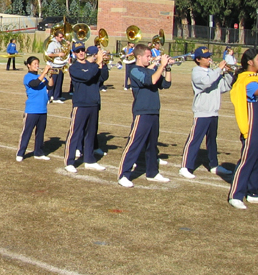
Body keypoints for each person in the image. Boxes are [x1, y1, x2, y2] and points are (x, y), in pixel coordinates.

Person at [117, 44, 172, 187]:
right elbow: (151, 81)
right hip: (142, 111)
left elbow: (165, 84)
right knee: (134, 143)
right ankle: (124, 174)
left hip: (154, 111)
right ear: (139, 57)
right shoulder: (135, 70)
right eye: (148, 56)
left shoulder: (150, 70)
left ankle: (152, 173)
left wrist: (167, 67)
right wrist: (160, 66)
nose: (150, 58)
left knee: (152, 145)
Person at [179, 47, 233, 179]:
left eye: (209, 56)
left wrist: (229, 74)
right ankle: (186, 166)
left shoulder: (213, 72)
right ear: (198, 59)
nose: (209, 58)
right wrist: (219, 69)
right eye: (206, 57)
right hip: (202, 111)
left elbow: (224, 87)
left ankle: (213, 165)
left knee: (212, 140)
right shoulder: (196, 72)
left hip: (213, 111)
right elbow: (205, 82)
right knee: (195, 139)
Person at [63, 43, 108, 173]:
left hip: (93, 103)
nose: (81, 53)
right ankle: (69, 161)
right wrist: (97, 63)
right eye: (78, 51)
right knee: (75, 133)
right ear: (74, 54)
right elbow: (87, 76)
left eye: (82, 50)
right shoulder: (74, 68)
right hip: (81, 104)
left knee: (91, 133)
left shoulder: (92, 65)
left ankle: (89, 160)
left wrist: (103, 64)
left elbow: (103, 77)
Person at [227, 48, 258, 209]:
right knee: (247, 159)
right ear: (250, 62)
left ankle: (253, 191)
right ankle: (236, 194)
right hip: (252, 124)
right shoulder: (246, 79)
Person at [15, 56, 54, 162]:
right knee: (27, 132)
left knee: (40, 133)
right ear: (29, 65)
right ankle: (20, 152)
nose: (37, 66)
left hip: (43, 109)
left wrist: (51, 76)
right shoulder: (28, 77)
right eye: (35, 64)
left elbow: (50, 87)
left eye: (38, 63)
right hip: (32, 110)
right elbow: (35, 84)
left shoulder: (42, 77)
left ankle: (39, 152)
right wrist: (44, 72)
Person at [45, 30, 67, 103]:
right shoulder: (52, 44)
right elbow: (49, 54)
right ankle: (48, 97)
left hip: (60, 65)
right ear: (56, 37)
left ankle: (56, 97)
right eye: (60, 37)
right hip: (54, 65)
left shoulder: (60, 43)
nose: (62, 38)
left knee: (59, 82)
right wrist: (58, 55)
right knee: (53, 82)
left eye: (62, 37)